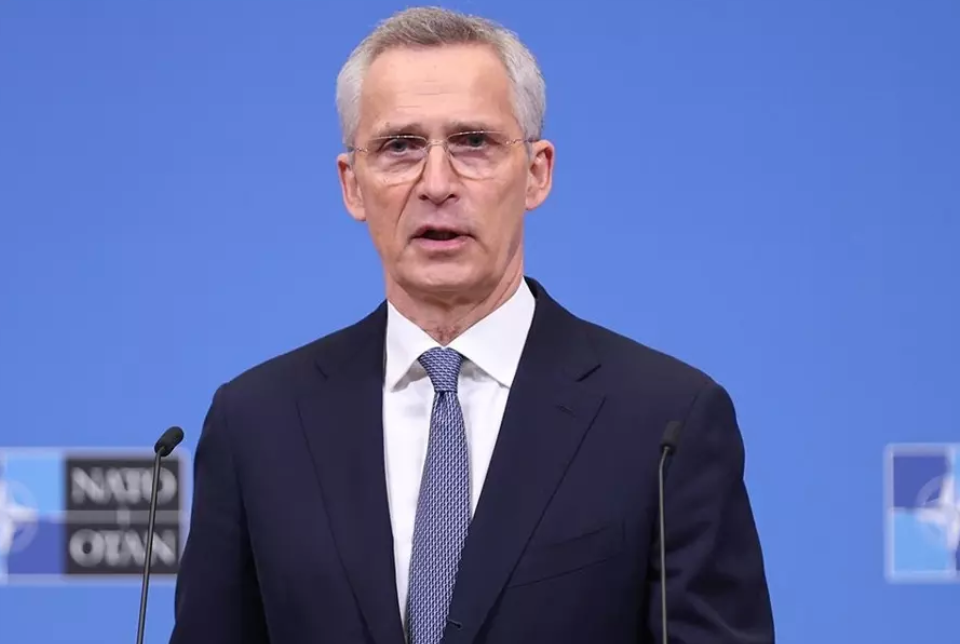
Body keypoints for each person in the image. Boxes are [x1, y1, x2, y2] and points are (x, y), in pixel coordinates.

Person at [169, 6, 775, 644]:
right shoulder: (257, 424)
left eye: (473, 143)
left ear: (537, 173)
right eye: (400, 147)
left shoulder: (665, 421)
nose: (436, 184)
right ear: (352, 185)